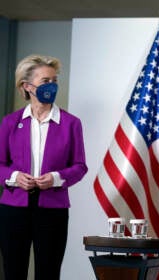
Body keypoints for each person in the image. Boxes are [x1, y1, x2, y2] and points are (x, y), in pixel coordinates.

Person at [0, 54, 88, 280]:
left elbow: (79, 166)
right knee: (13, 272)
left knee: (49, 273)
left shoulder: (71, 123)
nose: (52, 86)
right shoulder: (10, 122)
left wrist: (56, 178)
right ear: (27, 86)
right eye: (45, 81)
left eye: (55, 81)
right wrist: (15, 176)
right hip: (13, 209)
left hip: (53, 210)